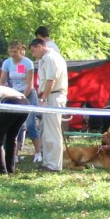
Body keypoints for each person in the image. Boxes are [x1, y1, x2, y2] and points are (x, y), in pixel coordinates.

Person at [29, 38, 68, 172]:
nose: (33, 54)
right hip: (50, 96)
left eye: (33, 51)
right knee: (46, 132)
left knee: (53, 132)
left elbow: (51, 80)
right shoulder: (46, 59)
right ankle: (48, 162)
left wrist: (43, 98)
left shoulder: (51, 58)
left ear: (40, 46)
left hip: (53, 96)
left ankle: (54, 165)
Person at [0, 40, 42, 163]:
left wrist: (23, 97)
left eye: (15, 52)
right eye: (10, 52)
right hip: (14, 94)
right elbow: (2, 81)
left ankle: (38, 152)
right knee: (15, 125)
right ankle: (14, 154)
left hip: (28, 94)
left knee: (30, 124)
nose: (12, 54)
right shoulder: (7, 63)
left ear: (20, 51)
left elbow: (29, 84)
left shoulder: (27, 63)